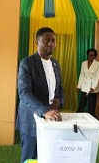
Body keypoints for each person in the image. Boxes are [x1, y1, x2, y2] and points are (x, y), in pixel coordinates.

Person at [16, 27, 64, 163]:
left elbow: (60, 88)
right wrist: (45, 111)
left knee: (47, 156)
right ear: (37, 41)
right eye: (46, 41)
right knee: (30, 158)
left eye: (53, 41)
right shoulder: (27, 63)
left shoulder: (56, 64)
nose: (50, 44)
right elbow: (24, 94)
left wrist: (59, 102)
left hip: (50, 120)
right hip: (32, 119)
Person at [76, 48, 99, 117]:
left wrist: (93, 87)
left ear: (95, 56)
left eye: (93, 55)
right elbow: (81, 75)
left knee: (91, 106)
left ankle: (91, 120)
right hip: (84, 86)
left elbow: (97, 76)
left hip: (93, 88)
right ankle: (77, 118)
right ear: (87, 55)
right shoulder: (83, 63)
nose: (91, 57)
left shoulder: (98, 64)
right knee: (81, 104)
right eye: (90, 55)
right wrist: (79, 86)